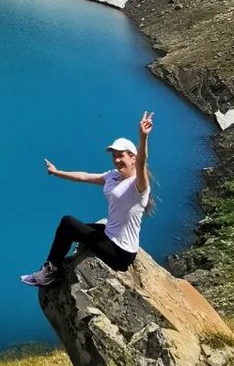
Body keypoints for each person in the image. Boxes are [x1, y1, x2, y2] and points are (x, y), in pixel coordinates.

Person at [21, 111, 153, 288]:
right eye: (114, 156)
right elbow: (85, 176)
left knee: (68, 223)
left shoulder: (139, 186)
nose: (116, 159)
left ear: (133, 157)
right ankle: (54, 267)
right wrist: (57, 172)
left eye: (121, 155)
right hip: (109, 234)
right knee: (68, 229)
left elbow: (142, 163)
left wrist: (143, 138)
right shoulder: (113, 176)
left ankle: (49, 273)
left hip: (120, 252)